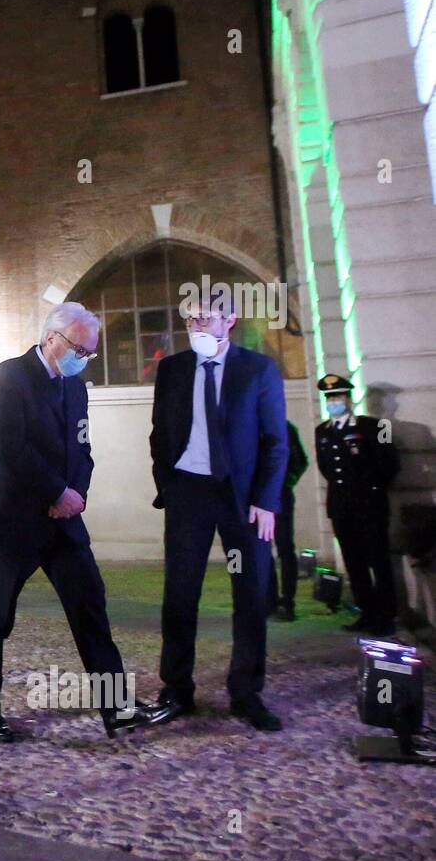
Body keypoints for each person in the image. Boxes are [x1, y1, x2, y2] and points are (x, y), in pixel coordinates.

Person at [0, 302, 171, 742]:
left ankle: (117, 709)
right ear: (53, 338)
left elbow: (83, 450)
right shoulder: (8, 377)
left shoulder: (76, 389)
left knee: (90, 607)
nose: (85, 358)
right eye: (81, 349)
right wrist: (56, 491)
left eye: (91, 353)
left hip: (62, 524)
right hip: (12, 521)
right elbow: (8, 449)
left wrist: (75, 496)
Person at [150, 297, 288, 731]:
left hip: (242, 499)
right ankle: (176, 689)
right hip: (189, 493)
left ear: (230, 319)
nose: (195, 324)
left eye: (203, 317)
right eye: (188, 317)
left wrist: (266, 500)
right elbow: (159, 435)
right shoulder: (172, 370)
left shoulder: (258, 369)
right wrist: (168, 486)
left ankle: (246, 692)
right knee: (179, 593)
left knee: (250, 593)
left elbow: (275, 441)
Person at [313, 374, 400, 637]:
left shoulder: (376, 426)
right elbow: (326, 468)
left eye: (338, 397)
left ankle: (386, 615)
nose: (334, 402)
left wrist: (371, 491)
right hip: (341, 506)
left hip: (370, 505)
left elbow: (391, 464)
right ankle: (367, 611)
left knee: (378, 560)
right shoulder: (323, 431)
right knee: (355, 562)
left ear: (348, 399)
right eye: (330, 398)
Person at [268, 420, 309, 621]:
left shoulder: (284, 427)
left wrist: (284, 484)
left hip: (279, 496)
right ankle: (269, 600)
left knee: (285, 549)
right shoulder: (245, 423)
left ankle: (287, 601)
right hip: (254, 499)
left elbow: (300, 461)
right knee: (261, 551)